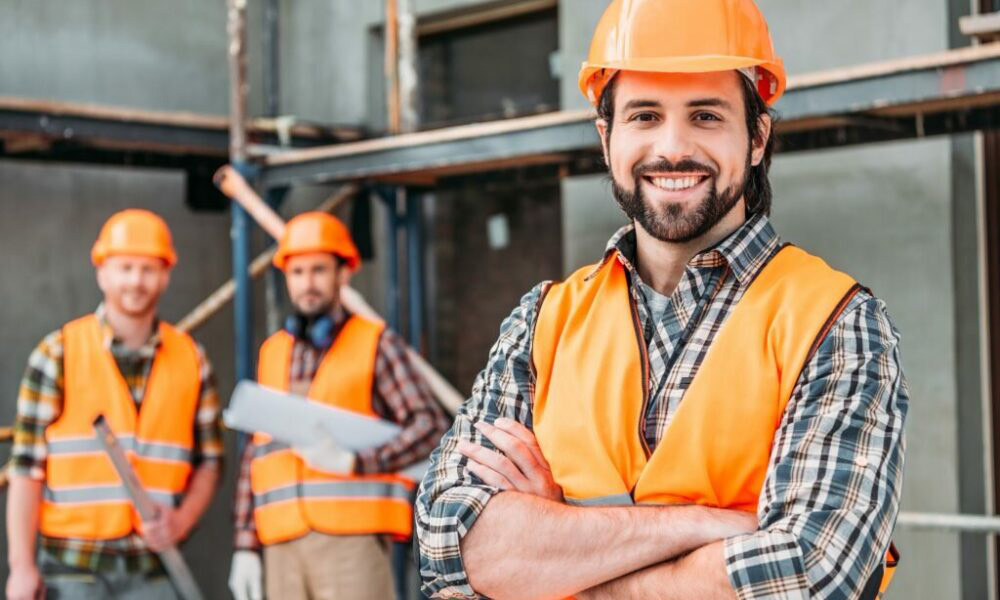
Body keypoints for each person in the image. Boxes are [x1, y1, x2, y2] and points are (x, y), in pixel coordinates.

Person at [415, 1, 908, 598]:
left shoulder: (835, 322)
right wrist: (704, 527)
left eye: (705, 116)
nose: (672, 148)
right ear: (607, 137)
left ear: (756, 137)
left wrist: (559, 554)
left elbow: (809, 574)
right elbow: (451, 548)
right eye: (645, 116)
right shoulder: (542, 322)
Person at [228, 212, 452, 600]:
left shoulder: (376, 344)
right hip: (281, 543)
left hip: (352, 543)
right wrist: (245, 545)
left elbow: (430, 427)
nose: (307, 283)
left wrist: (356, 462)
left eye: (318, 270)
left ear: (343, 274)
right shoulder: (272, 353)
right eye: (297, 272)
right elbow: (257, 454)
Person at [6, 209, 223, 600]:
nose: (136, 281)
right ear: (102, 273)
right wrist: (22, 567)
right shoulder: (58, 354)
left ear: (166, 275)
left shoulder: (193, 359)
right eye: (125, 268)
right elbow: (26, 469)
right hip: (73, 570)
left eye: (148, 269)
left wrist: (182, 520)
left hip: (154, 570)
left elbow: (210, 461)